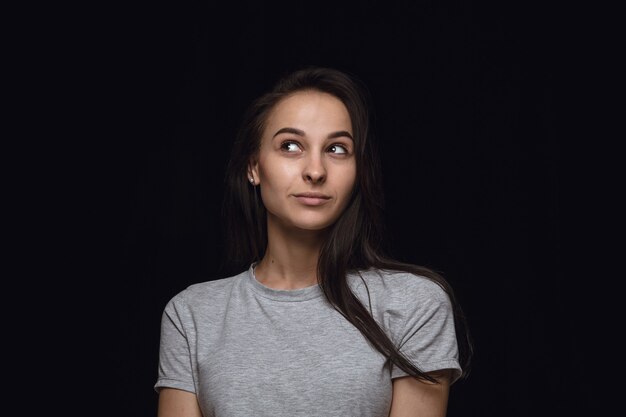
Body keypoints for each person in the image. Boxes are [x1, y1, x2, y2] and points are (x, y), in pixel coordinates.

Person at [154, 66, 473, 417]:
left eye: (337, 149)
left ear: (357, 170)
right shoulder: (192, 315)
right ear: (254, 167)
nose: (316, 171)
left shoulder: (412, 304)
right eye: (290, 146)